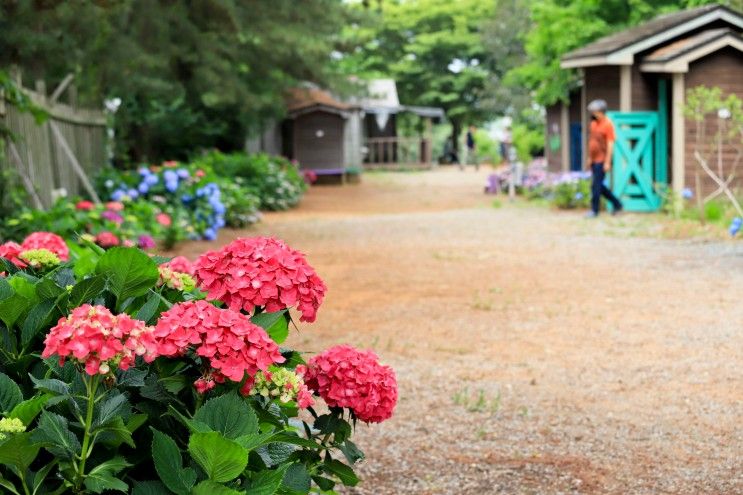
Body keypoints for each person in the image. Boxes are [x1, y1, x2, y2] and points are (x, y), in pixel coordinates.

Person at [586, 99, 622, 217]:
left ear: (601, 112)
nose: (593, 114)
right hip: (594, 159)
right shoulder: (593, 124)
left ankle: (594, 211)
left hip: (602, 160)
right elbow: (591, 142)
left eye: (595, 112)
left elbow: (610, 144)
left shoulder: (608, 124)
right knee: (598, 185)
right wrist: (589, 157)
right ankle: (617, 204)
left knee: (596, 186)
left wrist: (607, 162)